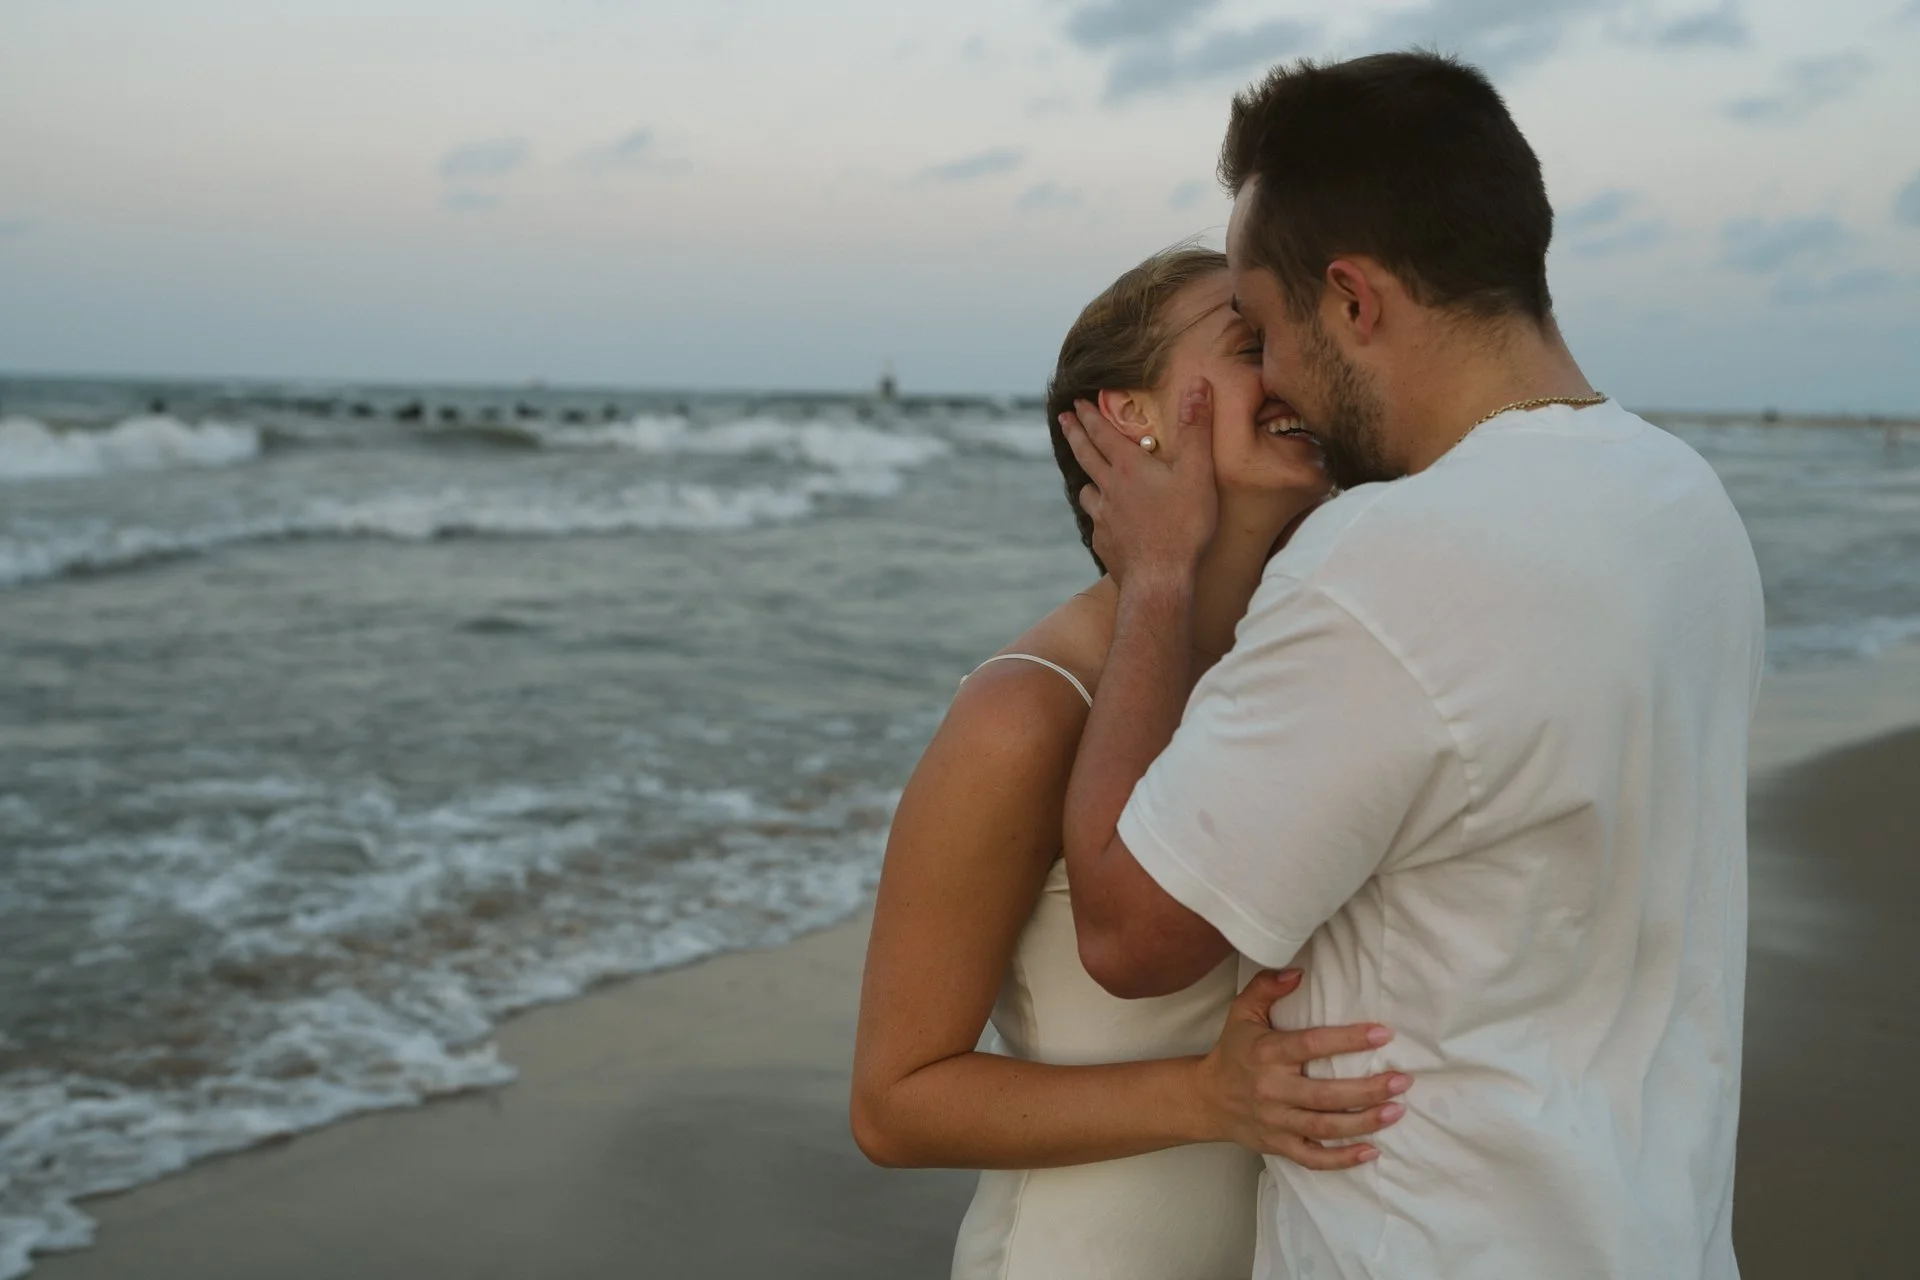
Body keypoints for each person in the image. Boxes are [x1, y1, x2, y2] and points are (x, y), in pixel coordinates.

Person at [1057, 52, 1763, 1279]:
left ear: (1354, 301)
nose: (1269, 379)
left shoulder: (1387, 561)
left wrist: (1160, 581)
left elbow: (1128, 931)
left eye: (1266, 333)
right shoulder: (1679, 498)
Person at [850, 246, 1413, 1280]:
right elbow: (894, 1101)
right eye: (1253, 344)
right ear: (1128, 416)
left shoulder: (1300, 672)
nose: (1295, 371)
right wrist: (1202, 1094)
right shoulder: (1025, 711)